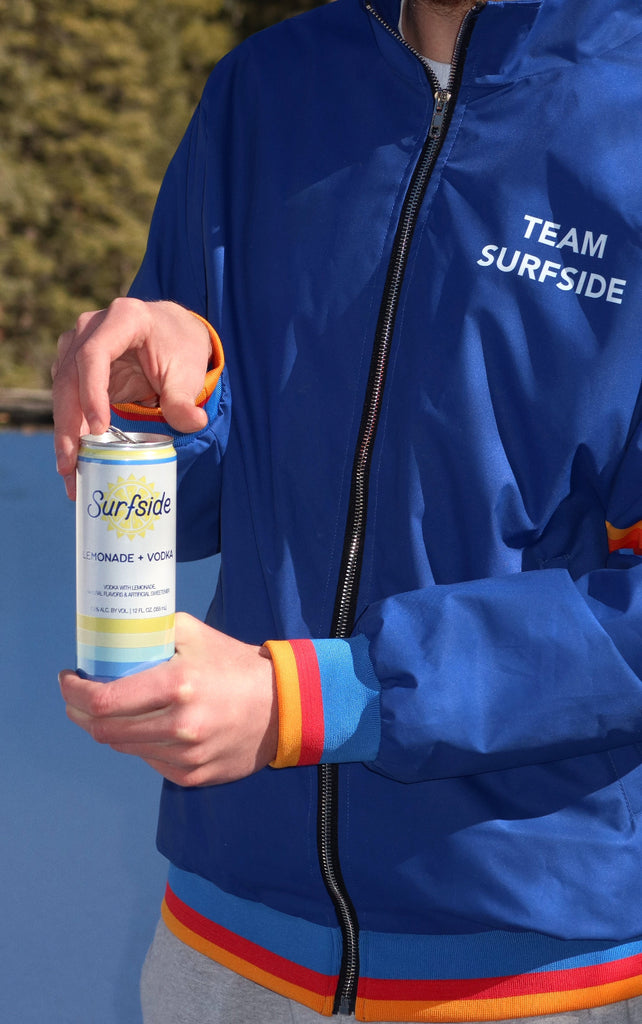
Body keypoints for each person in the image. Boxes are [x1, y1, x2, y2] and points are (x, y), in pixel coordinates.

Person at [52, 0, 642, 1021]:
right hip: (223, 948)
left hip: (533, 975)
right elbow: (196, 502)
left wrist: (316, 699)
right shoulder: (264, 90)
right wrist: (152, 401)